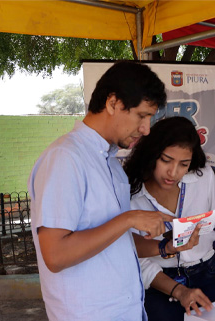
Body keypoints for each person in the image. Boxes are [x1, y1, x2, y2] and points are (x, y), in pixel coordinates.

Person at [28, 61, 172, 321]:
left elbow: (114, 241)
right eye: (142, 115)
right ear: (113, 103)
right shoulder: (66, 158)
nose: (146, 129)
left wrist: (167, 246)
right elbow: (55, 255)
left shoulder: (111, 163)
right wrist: (129, 218)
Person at [123, 116, 215, 321]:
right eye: (166, 160)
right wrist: (178, 291)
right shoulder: (131, 193)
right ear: (151, 154)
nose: (173, 172)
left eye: (183, 164)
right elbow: (137, 258)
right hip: (160, 282)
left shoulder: (202, 177)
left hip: (207, 274)